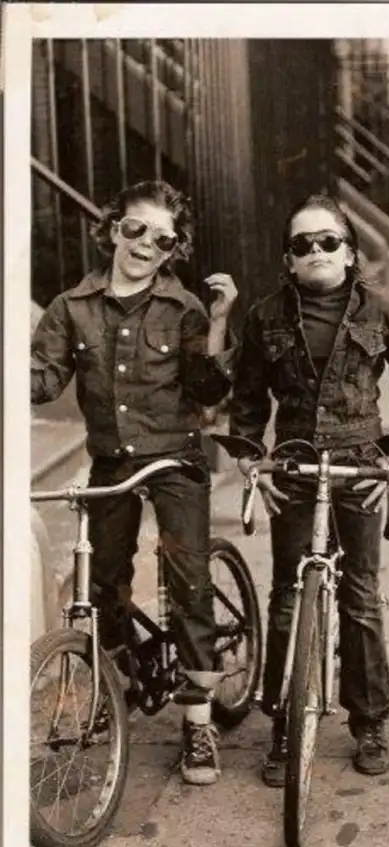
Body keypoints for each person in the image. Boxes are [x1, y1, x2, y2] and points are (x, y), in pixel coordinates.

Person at [31, 179, 239, 786]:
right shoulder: (71, 308)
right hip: (114, 464)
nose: (146, 244)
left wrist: (221, 320)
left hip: (173, 458)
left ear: (175, 250)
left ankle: (198, 719)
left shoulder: (184, 309)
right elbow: (42, 383)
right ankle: (116, 680)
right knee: (102, 580)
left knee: (187, 574)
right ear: (112, 229)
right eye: (136, 229)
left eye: (163, 239)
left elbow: (208, 393)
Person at [228, 194, 389, 785]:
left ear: (349, 252)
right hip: (292, 466)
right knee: (289, 594)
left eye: (327, 241)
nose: (314, 251)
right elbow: (246, 402)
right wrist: (250, 462)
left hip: (358, 466)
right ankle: (284, 724)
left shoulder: (383, 314)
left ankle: (369, 722)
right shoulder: (265, 316)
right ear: (288, 260)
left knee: (361, 596)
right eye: (301, 244)